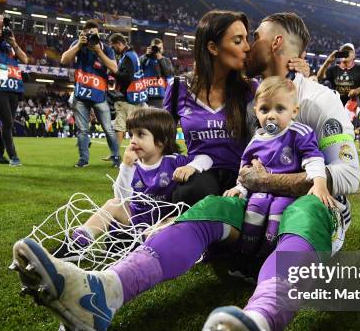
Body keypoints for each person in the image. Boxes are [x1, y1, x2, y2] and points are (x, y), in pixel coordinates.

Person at [10, 11, 359, 331]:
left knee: (308, 209)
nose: (246, 45)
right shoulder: (251, 95)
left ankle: (255, 329)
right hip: (250, 212)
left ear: (276, 43)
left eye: (254, 37)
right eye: (239, 39)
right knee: (211, 206)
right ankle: (102, 294)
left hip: (303, 218)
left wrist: (271, 182)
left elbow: (347, 175)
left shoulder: (317, 98)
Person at [55, 107, 213, 259]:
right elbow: (122, 198)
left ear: (161, 141)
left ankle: (141, 243)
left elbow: (206, 158)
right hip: (134, 220)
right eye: (131, 135)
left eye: (140, 134)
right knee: (113, 203)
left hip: (160, 222)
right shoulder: (132, 165)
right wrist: (126, 167)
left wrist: (191, 167)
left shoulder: (173, 162)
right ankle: (78, 243)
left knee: (178, 220)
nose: (133, 141)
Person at [224, 76, 333, 256]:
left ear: (294, 111)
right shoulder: (256, 139)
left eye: (280, 108)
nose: (271, 115)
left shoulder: (299, 133)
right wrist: (240, 188)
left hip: (286, 194)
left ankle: (268, 257)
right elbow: (245, 169)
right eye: (265, 109)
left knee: (275, 220)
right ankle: (246, 257)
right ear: (256, 111)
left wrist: (319, 184)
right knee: (253, 213)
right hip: (261, 193)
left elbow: (314, 159)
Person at [162, 10, 254, 206]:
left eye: (247, 39)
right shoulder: (179, 87)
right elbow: (162, 141)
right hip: (200, 175)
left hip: (242, 178)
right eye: (238, 41)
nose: (247, 47)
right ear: (213, 47)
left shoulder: (250, 89)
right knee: (191, 191)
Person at [61, 20, 119, 168]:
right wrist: (79, 45)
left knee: (108, 129)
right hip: (80, 95)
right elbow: (64, 60)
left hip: (99, 96)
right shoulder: (78, 44)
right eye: (89, 34)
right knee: (82, 130)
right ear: (84, 34)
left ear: (98, 34)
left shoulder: (105, 48)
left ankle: (116, 157)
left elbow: (114, 68)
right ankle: (83, 159)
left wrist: (99, 51)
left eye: (95, 34)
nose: (92, 37)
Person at [0, 14, 28, 167]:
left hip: (14, 87)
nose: (1, 28)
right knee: (8, 122)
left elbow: (25, 60)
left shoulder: (10, 43)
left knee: (7, 123)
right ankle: (14, 157)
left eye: (3, 26)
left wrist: (14, 43)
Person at [108, 33, 146, 164]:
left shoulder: (128, 57)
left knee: (121, 128)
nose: (113, 50)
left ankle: (117, 157)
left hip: (127, 98)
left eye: (114, 47)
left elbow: (126, 78)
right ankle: (130, 156)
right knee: (133, 129)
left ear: (119, 43)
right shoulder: (133, 55)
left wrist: (114, 72)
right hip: (136, 96)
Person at [139, 38, 174, 108]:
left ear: (162, 48)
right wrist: (146, 56)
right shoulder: (143, 58)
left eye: (159, 48)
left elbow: (169, 74)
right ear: (150, 47)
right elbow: (137, 70)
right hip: (145, 96)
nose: (157, 50)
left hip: (160, 96)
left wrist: (160, 59)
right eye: (155, 48)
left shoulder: (166, 60)